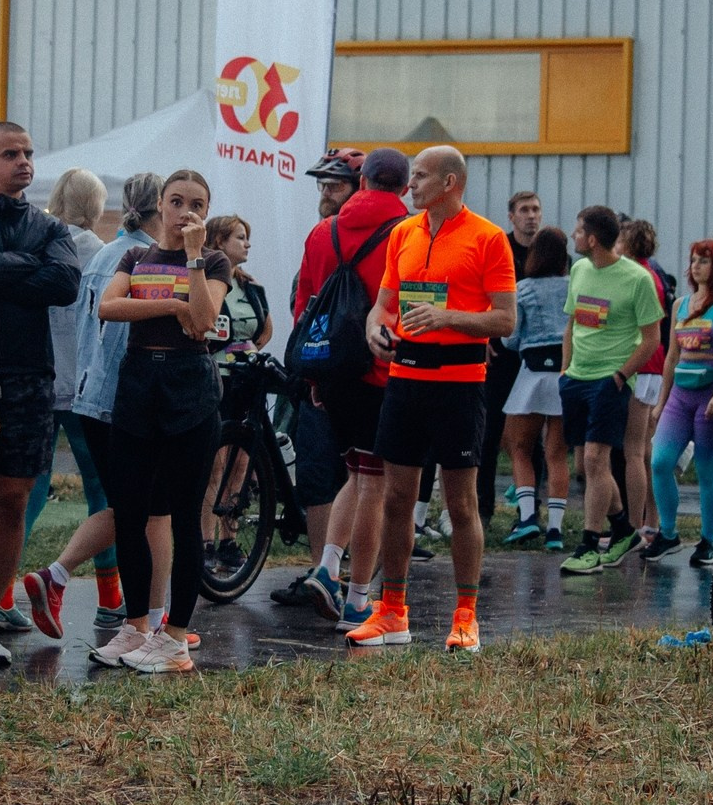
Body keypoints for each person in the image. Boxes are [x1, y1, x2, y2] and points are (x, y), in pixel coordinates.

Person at [347, 146, 517, 651]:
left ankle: (466, 616)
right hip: (404, 378)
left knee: (460, 503)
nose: (410, 185)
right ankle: (391, 611)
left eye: (419, 176)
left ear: (449, 182)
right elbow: (384, 305)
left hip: (460, 383)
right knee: (396, 498)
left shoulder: (487, 238)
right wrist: (374, 330)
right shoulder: (403, 232)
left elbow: (506, 320)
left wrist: (448, 318)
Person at [92, 169, 232, 674]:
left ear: (207, 211)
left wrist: (193, 259)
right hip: (137, 385)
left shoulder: (213, 261)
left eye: (197, 204)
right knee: (129, 512)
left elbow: (204, 321)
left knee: (184, 514)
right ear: (160, 205)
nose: (185, 212)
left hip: (189, 387)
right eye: (176, 201)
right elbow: (108, 306)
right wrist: (171, 304)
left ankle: (175, 639)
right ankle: (135, 626)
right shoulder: (135, 256)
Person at [0, 120, 81, 665]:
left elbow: (65, 283)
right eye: (11, 153)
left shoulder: (49, 225)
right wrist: (24, 267)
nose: (24, 162)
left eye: (29, 153)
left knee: (12, 499)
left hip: (30, 376)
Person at [284, 148, 411, 629]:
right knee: (374, 483)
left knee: (357, 475)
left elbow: (305, 306)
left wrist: (315, 376)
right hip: (383, 371)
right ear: (404, 187)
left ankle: (328, 565)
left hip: (333, 372)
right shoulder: (409, 232)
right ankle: (356, 598)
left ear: (362, 183)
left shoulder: (323, 232)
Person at [50, 172, 161, 651]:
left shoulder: (102, 255)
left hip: (83, 390)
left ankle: (74, 585)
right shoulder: (141, 259)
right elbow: (118, 337)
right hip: (121, 399)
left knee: (120, 504)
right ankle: (141, 616)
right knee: (141, 510)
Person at [20, 166, 119, 639]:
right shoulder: (102, 254)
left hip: (39, 379)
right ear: (95, 207)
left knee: (28, 488)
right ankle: (110, 599)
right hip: (83, 386)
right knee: (102, 489)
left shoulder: (37, 246)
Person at [555, 205, 663, 573]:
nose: (573, 236)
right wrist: (565, 369)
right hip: (576, 378)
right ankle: (624, 529)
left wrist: (620, 376)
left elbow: (652, 339)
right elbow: (572, 324)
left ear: (592, 239)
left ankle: (588, 545)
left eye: (578, 230)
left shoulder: (637, 279)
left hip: (609, 380)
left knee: (596, 460)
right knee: (585, 465)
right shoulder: (579, 270)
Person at [651, 238, 713, 564]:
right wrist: (661, 401)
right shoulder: (681, 304)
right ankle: (668, 533)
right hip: (680, 394)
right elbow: (671, 356)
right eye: (693, 260)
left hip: (712, 394)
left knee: (706, 467)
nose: (696, 267)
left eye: (704, 261)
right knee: (660, 462)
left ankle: (708, 542)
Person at [199, 213, 272, 561]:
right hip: (217, 379)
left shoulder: (251, 287)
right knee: (214, 461)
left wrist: (247, 348)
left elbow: (265, 328)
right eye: (239, 237)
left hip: (247, 378)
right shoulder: (205, 281)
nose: (247, 244)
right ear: (218, 241)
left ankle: (229, 538)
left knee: (242, 460)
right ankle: (205, 541)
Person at [499, 228, 573, 551]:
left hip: (532, 374)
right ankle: (555, 529)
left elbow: (510, 338)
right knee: (557, 454)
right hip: (567, 373)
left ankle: (528, 516)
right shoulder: (574, 286)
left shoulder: (524, 288)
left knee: (519, 447)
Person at [481, 189, 546, 520]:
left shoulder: (550, 252)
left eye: (535, 209)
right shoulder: (500, 248)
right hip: (500, 351)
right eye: (524, 210)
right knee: (489, 431)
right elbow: (481, 292)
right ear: (511, 216)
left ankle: (529, 511)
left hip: (536, 356)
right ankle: (483, 508)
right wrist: (483, 336)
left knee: (532, 437)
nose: (531, 216)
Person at [615, 217, 674, 556]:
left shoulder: (637, 276)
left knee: (633, 452)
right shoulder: (654, 274)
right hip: (654, 367)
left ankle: (633, 527)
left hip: (643, 367)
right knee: (645, 450)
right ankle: (652, 519)